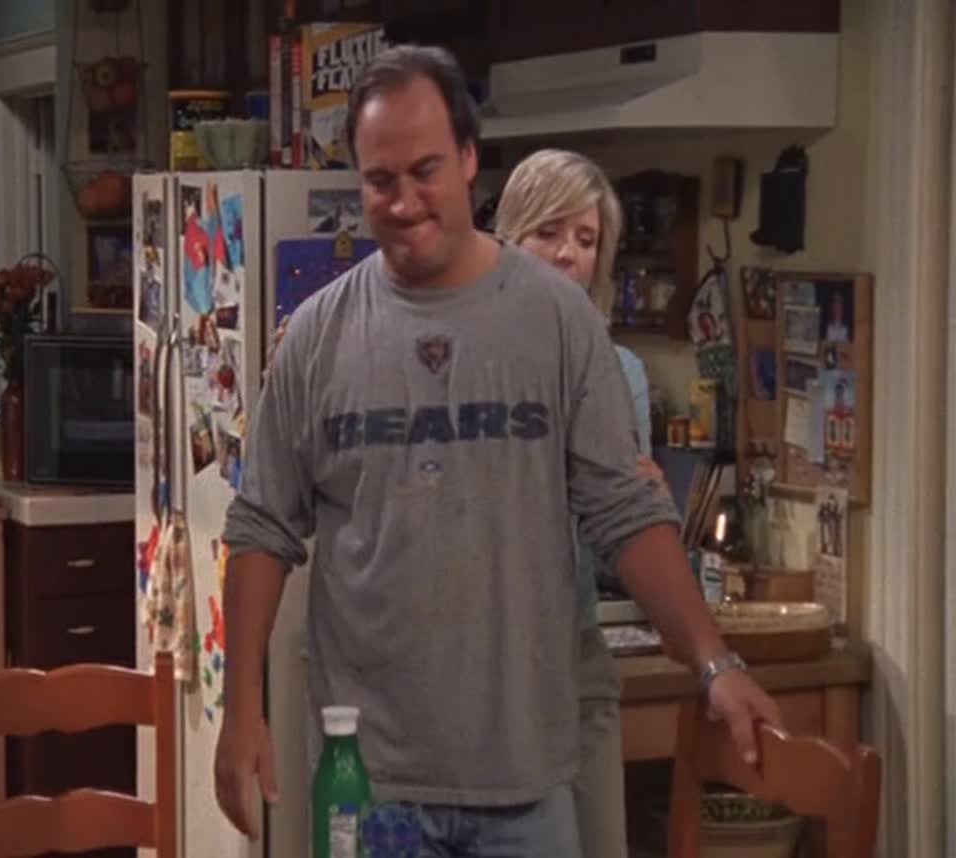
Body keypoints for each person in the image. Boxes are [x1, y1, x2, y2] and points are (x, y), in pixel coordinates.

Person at [216, 44, 780, 858]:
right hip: (370, 781)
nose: (404, 201)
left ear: (469, 160)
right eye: (380, 180)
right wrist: (242, 710)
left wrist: (714, 664)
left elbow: (626, 511)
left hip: (524, 779)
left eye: (425, 171)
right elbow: (261, 526)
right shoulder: (315, 336)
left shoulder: (558, 321)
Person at [492, 148, 652, 857]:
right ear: (508, 238)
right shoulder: (466, 357)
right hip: (478, 661)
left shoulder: (621, 372)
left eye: (586, 240)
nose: (568, 254)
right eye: (549, 232)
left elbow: (616, 522)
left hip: (573, 652)